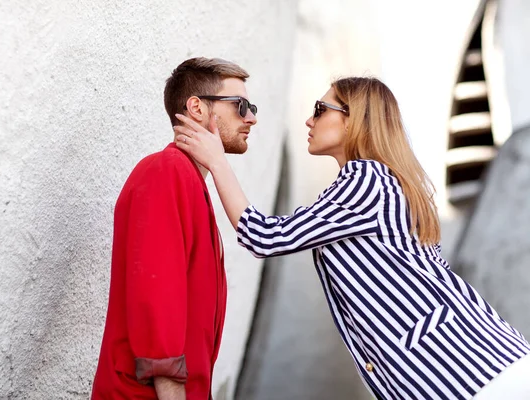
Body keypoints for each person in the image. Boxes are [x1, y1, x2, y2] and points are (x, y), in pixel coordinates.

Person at [173, 77, 530, 400]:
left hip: (465, 374)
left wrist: (217, 161)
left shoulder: (366, 178)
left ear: (352, 118)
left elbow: (265, 236)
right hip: (482, 367)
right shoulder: (386, 182)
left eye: (320, 110)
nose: (309, 121)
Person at [91, 57, 258, 400]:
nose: (252, 118)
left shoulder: (188, 181)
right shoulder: (166, 172)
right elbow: (156, 302)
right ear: (197, 107)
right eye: (240, 106)